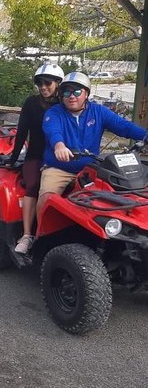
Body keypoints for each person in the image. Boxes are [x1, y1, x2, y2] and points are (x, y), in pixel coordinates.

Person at [27, 71, 148, 253]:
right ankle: (40, 239)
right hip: (59, 168)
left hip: (90, 168)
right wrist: (59, 146)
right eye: (66, 92)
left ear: (86, 94)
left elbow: (124, 127)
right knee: (47, 195)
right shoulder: (54, 113)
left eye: (77, 92)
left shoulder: (98, 111)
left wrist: (145, 136)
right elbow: (53, 131)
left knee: (119, 198)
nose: (71, 96)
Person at [9, 63, 64, 254]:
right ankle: (26, 235)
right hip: (35, 155)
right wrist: (14, 157)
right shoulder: (31, 103)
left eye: (48, 83)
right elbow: (22, 131)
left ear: (58, 83)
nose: (43, 87)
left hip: (59, 157)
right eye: (40, 83)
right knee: (33, 186)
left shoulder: (64, 104)